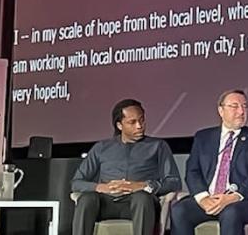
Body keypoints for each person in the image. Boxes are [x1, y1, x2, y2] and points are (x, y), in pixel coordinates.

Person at [70, 98, 181, 235]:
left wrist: (143, 186)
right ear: (119, 125)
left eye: (142, 120)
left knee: (142, 197)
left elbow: (174, 181)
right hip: (106, 203)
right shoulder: (101, 148)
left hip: (139, 205)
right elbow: (77, 182)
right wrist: (101, 187)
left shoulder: (158, 146)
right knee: (86, 199)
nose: (139, 126)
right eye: (132, 122)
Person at [171, 90, 248, 235]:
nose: (241, 111)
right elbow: (193, 171)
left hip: (241, 201)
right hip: (209, 198)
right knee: (180, 210)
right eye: (234, 106)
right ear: (221, 110)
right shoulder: (203, 137)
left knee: (230, 213)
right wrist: (203, 197)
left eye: (244, 106)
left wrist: (233, 196)